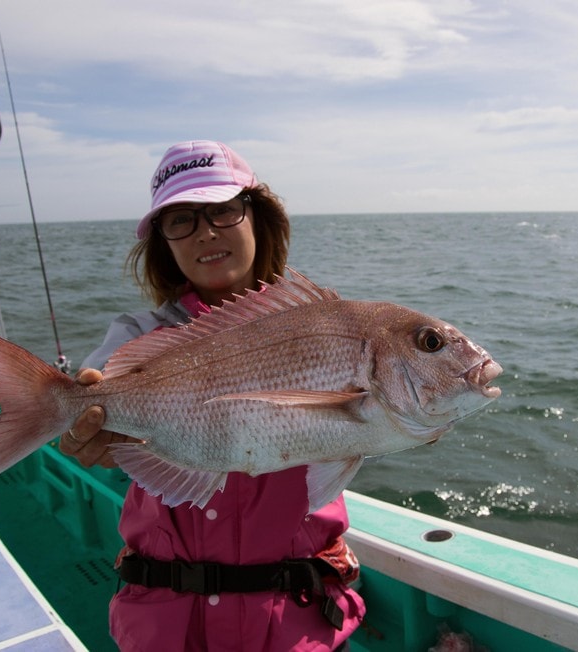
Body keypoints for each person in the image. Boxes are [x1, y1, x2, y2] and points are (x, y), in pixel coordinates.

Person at [59, 140, 365, 651]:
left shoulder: (320, 328)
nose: (205, 233)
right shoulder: (140, 333)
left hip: (296, 622)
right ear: (164, 240)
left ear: (256, 217)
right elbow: (97, 388)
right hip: (169, 624)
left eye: (223, 210)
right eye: (181, 219)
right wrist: (78, 425)